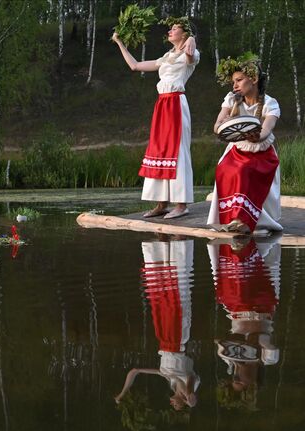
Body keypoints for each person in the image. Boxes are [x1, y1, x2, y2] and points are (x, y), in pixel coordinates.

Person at [112, 17, 199, 219]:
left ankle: (182, 204)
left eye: (174, 28)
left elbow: (190, 56)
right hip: (162, 104)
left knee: (177, 149)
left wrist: (192, 38)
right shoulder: (167, 56)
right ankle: (161, 203)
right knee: (159, 150)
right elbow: (134, 66)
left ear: (184, 34)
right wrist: (119, 42)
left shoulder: (192, 54)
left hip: (176, 103)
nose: (169, 30)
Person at [115, 238, 199, 410]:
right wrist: (189, 399)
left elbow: (135, 371)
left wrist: (123, 393)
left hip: (162, 337)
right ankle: (178, 245)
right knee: (176, 298)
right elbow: (191, 391)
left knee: (159, 296)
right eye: (176, 405)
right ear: (182, 402)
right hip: (177, 339)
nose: (171, 403)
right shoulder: (188, 381)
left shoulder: (167, 376)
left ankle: (159, 246)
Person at [207, 54, 282, 234]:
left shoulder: (270, 103)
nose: (235, 85)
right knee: (223, 168)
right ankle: (231, 217)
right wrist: (222, 125)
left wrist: (257, 136)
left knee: (244, 170)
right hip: (237, 149)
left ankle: (244, 219)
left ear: (254, 79)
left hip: (262, 154)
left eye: (239, 80)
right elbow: (218, 124)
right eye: (233, 81)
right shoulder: (231, 99)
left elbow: (266, 130)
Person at [208, 236, 281, 407]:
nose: (237, 376)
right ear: (253, 382)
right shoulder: (267, 359)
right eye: (240, 380)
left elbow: (218, 341)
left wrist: (237, 359)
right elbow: (264, 342)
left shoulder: (229, 361)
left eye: (235, 378)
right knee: (266, 258)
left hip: (237, 305)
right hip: (262, 306)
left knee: (238, 257)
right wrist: (250, 354)